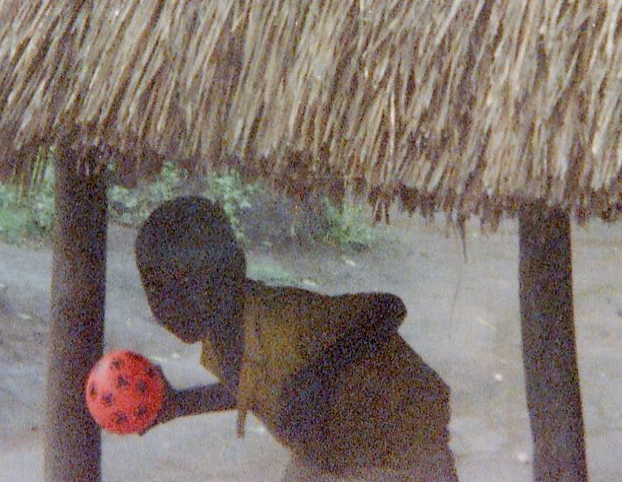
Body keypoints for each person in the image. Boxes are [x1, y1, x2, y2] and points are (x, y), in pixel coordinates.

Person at [134, 195, 459, 482]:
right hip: (328, 454)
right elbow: (262, 388)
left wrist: (318, 374)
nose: (169, 304)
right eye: (156, 288)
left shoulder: (286, 320)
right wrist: (181, 404)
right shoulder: (218, 339)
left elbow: (387, 307)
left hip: (402, 453)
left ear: (232, 271)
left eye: (188, 285)